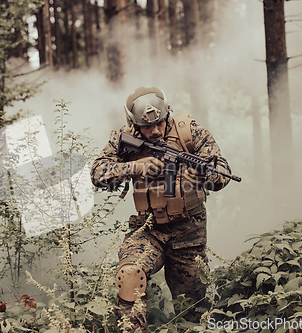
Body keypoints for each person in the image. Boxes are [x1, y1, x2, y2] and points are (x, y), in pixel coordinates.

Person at [90, 86, 233, 332]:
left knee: (194, 313)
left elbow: (222, 173)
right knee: (131, 275)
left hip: (189, 234)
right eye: (147, 127)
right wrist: (135, 167)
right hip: (148, 230)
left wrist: (200, 175)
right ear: (134, 124)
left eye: (160, 123)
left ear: (167, 114)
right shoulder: (122, 137)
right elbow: (97, 173)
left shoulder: (189, 131)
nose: (155, 131)